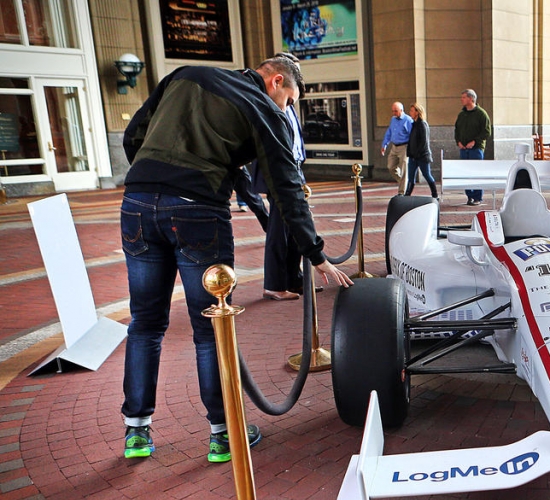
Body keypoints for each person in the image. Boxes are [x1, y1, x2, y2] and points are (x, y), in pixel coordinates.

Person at [120, 55, 351, 464]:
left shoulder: (186, 74)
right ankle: (223, 435)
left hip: (137, 203)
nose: (287, 108)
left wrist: (153, 176)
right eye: (290, 99)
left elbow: (134, 134)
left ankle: (136, 432)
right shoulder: (263, 108)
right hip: (198, 211)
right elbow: (287, 189)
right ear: (276, 80)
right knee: (211, 328)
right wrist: (316, 254)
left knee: (145, 324)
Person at [257, 53, 308, 301]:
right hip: (279, 171)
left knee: (292, 228)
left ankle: (294, 280)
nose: (298, 77)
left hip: (294, 167)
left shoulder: (289, 101)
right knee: (279, 229)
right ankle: (274, 284)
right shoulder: (271, 100)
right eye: (295, 72)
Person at [454, 89, 492, 206]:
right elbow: (457, 130)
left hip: (476, 149)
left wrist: (475, 141)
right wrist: (458, 141)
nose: (462, 99)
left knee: (476, 172)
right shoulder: (461, 114)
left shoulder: (481, 114)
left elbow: (486, 132)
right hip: (463, 148)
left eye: (464, 97)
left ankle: (477, 197)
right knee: (465, 173)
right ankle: (469, 196)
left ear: (471, 99)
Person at [404, 103, 437, 198]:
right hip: (412, 156)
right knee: (411, 177)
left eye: (412, 111)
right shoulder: (413, 124)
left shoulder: (422, 124)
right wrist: (410, 153)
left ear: (417, 112)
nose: (410, 112)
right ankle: (407, 194)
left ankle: (435, 194)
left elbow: (424, 141)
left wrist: (417, 154)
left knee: (427, 174)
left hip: (422, 156)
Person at [381, 102, 412, 194]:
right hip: (394, 146)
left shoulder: (408, 120)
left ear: (401, 110)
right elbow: (389, 132)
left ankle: (402, 192)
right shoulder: (393, 119)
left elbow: (412, 135)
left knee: (404, 169)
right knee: (390, 166)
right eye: (393, 111)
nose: (394, 113)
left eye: (396, 111)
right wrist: (384, 145)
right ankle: (404, 182)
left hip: (404, 147)